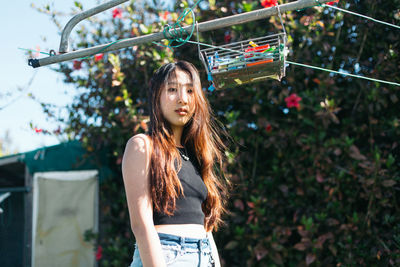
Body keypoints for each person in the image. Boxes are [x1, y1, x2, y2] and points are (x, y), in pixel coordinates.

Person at [122, 61, 229, 267]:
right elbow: (141, 225)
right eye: (172, 89)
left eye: (190, 90)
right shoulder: (143, 145)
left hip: (203, 255)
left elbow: (206, 228)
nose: (182, 99)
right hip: (166, 256)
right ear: (157, 97)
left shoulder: (197, 154)